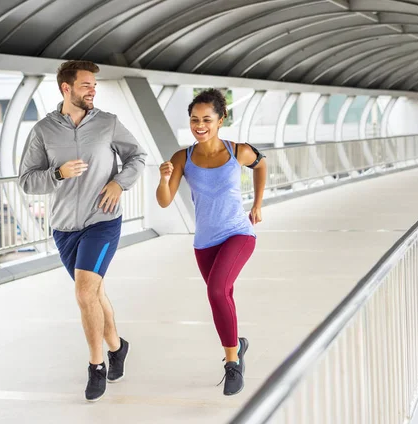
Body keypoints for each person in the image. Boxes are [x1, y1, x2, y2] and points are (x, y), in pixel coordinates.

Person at [18, 60, 147, 402]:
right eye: (86, 85)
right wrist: (57, 174)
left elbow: (137, 157)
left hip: (102, 221)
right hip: (63, 227)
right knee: (95, 293)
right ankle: (118, 347)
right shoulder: (43, 131)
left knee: (84, 294)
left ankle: (96, 366)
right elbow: (27, 181)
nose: (93, 90)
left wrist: (120, 184)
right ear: (66, 88)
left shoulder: (108, 123)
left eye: (94, 85)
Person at [156, 89, 267, 396]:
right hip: (204, 242)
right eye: (194, 119)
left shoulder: (237, 151)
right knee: (222, 297)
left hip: (238, 233)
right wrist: (164, 179)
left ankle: (232, 364)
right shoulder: (183, 157)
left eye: (207, 119)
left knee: (217, 290)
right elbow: (164, 202)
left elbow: (261, 165)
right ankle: (238, 344)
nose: (200, 125)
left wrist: (257, 204)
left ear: (221, 120)